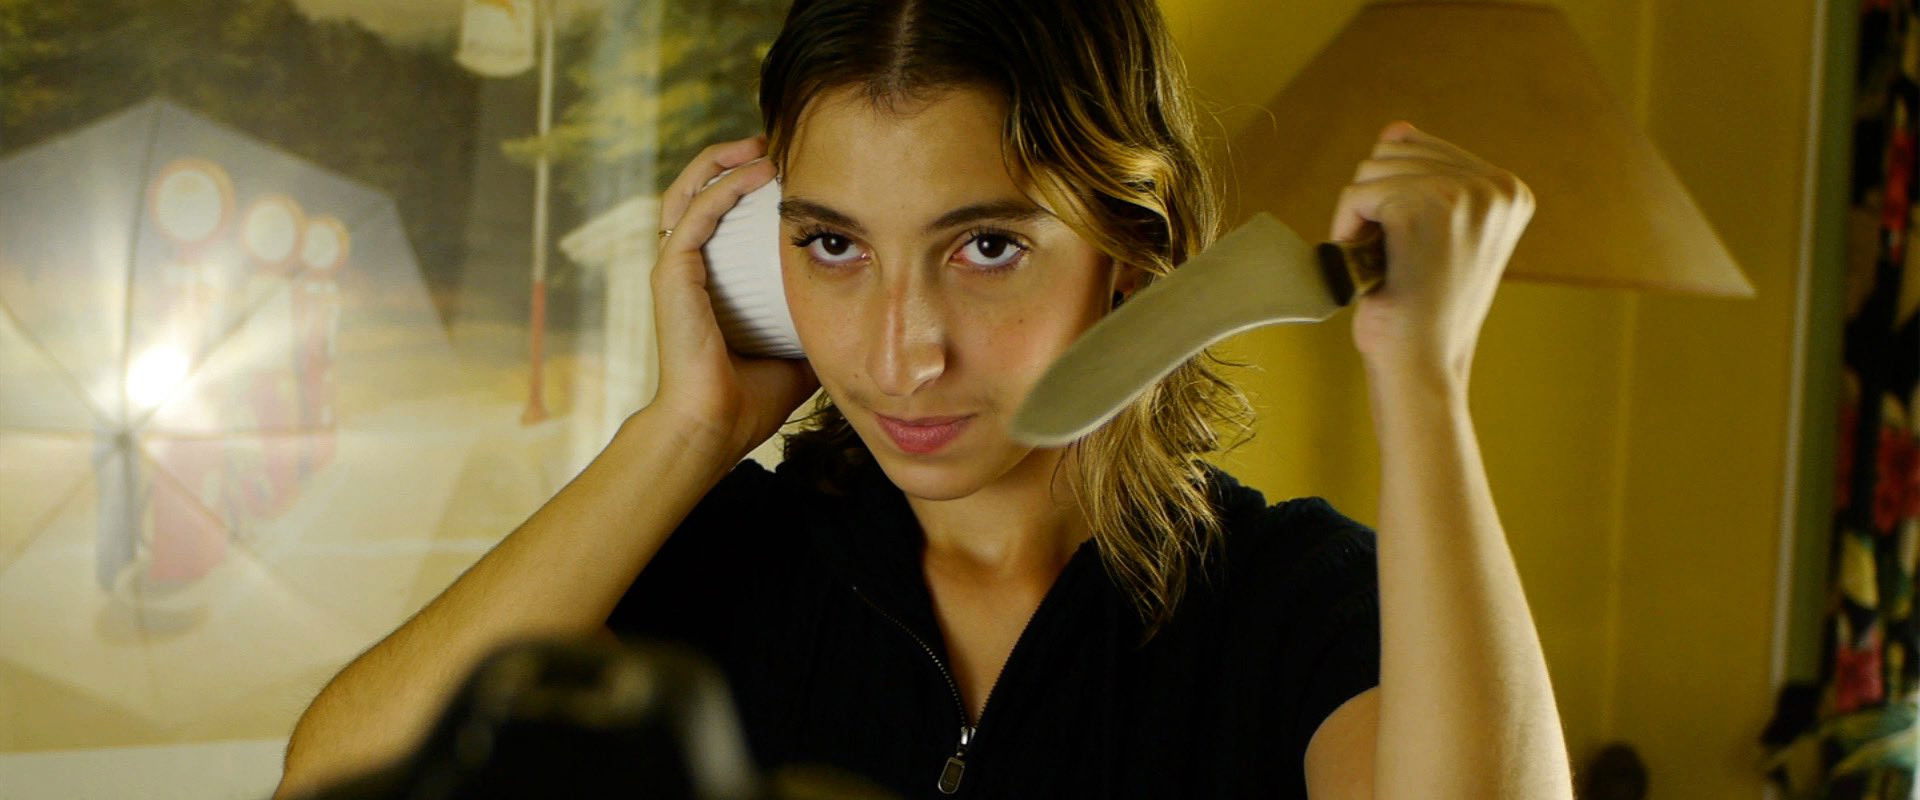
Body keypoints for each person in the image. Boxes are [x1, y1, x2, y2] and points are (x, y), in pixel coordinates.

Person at [275, 0, 1574, 798]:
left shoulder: (1296, 608)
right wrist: (686, 431)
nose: (901, 355)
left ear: (1133, 245)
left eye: (986, 246)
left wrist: (1425, 376)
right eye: (832, 245)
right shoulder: (717, 571)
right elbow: (337, 784)